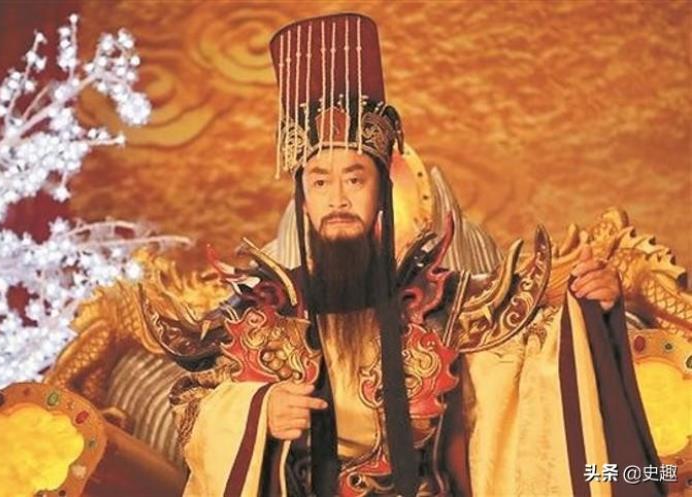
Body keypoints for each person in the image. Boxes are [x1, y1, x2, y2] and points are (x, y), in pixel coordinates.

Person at [141, 13, 664, 497]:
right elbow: (189, 406)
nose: (338, 198)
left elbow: (536, 362)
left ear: (381, 193)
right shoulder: (260, 312)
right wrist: (256, 412)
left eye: (355, 179)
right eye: (320, 181)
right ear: (302, 199)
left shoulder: (439, 303)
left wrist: (591, 306)